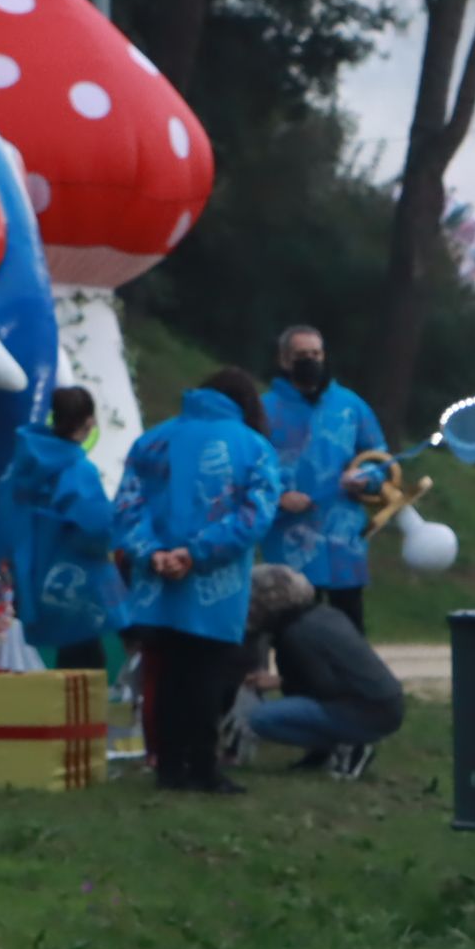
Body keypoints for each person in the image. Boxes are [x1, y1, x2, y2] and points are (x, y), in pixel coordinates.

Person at [114, 367, 280, 795]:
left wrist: (154, 553)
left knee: (167, 674)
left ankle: (168, 768)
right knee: (206, 676)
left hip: (156, 583)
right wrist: (196, 552)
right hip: (216, 586)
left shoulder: (152, 441)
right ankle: (204, 768)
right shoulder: (253, 446)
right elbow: (254, 515)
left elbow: (128, 507)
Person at [259, 326, 390, 629]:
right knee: (296, 628)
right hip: (290, 540)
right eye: (301, 355)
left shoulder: (351, 406)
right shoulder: (265, 410)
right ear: (284, 360)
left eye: (315, 354)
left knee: (350, 625)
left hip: (344, 539)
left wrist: (365, 478)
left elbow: (381, 459)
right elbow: (249, 467)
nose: (310, 360)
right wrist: (279, 497)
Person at [242, 563, 406, 778]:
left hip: (366, 710)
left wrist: (281, 682)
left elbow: (324, 688)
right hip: (387, 703)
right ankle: (336, 747)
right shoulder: (324, 614)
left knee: (261, 718)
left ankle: (348, 745)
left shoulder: (296, 634)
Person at [2, 386, 120, 672]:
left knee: (67, 657)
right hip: (75, 577)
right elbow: (96, 527)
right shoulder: (79, 470)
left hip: (36, 573)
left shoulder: (26, 463)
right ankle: (80, 717)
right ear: (89, 422)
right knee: (86, 661)